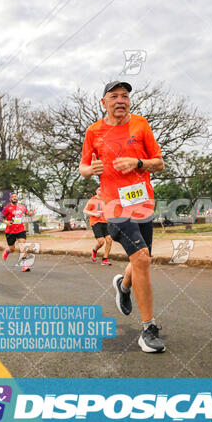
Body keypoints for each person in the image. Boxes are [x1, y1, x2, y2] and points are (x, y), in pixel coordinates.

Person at [79, 80, 166, 353]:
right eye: (114, 96)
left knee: (142, 260)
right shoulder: (93, 132)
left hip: (142, 204)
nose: (120, 100)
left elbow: (159, 163)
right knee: (141, 257)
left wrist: (138, 163)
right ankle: (148, 329)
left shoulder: (141, 125)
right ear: (103, 102)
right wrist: (88, 170)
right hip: (113, 206)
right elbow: (83, 166)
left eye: (125, 96)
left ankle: (123, 284)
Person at [1, 193, 35, 272]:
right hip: (10, 231)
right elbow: (0, 217)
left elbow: (28, 214)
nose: (14, 198)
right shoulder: (7, 208)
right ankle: (7, 251)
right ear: (10, 199)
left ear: (17, 198)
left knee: (23, 246)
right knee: (12, 249)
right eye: (12, 197)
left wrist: (32, 212)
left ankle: (24, 265)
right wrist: (6, 222)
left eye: (15, 196)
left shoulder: (22, 207)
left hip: (20, 230)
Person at [83, 186, 112, 265]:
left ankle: (105, 259)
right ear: (96, 191)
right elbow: (85, 210)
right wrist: (94, 214)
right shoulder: (92, 200)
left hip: (105, 222)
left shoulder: (105, 200)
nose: (101, 191)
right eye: (99, 189)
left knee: (109, 240)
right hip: (96, 222)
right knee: (101, 242)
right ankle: (94, 250)